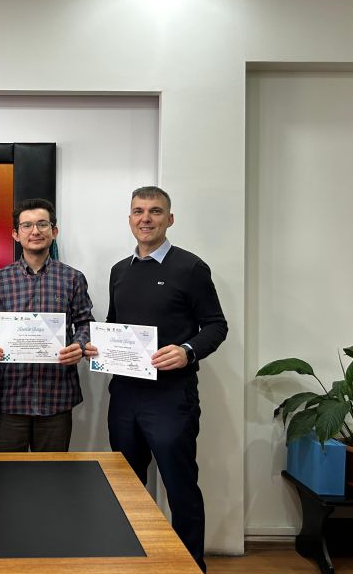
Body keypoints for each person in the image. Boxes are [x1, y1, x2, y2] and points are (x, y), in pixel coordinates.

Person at [84, 186, 227, 573]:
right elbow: (114, 324)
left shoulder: (190, 268)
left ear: (170, 219)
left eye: (155, 211)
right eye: (138, 211)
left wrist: (187, 350)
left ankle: (190, 566)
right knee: (126, 485)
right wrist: (100, 346)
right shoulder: (120, 271)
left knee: (180, 486)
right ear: (129, 218)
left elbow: (216, 325)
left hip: (171, 398)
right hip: (124, 396)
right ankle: (133, 562)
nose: (145, 218)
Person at [0, 198, 94, 452]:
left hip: (56, 396)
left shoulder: (72, 278)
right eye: (27, 225)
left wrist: (79, 345)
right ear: (15, 234)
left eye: (43, 224)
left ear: (54, 231)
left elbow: (85, 323)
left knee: (52, 472)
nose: (35, 231)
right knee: (7, 473)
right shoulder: (0, 280)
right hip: (10, 397)